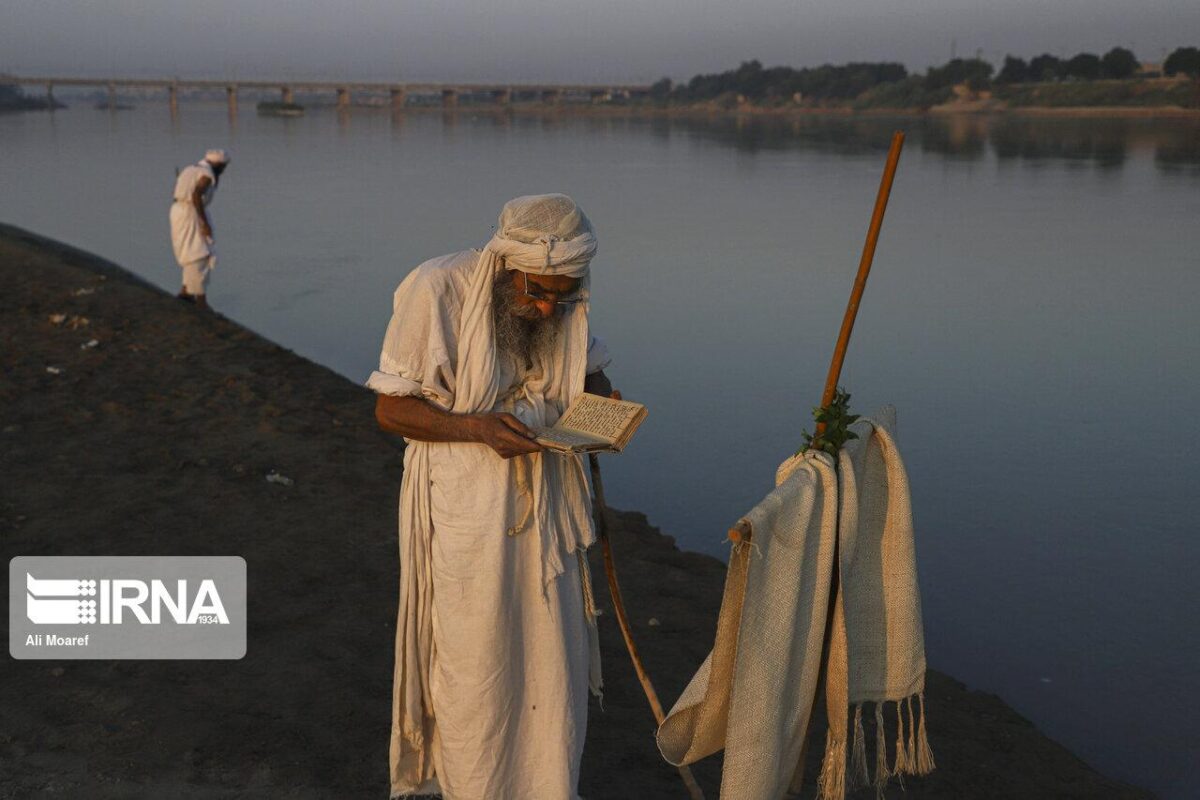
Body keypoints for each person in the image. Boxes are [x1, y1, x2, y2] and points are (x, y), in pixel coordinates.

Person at [368, 194, 617, 800]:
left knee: (550, 662)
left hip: (549, 513)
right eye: (535, 292)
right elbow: (390, 408)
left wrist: (605, 418)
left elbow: (591, 377)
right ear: (508, 267)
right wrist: (475, 427)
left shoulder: (560, 301)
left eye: (560, 295)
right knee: (475, 664)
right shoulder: (437, 289)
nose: (545, 306)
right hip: (467, 513)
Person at [169, 149, 229, 309]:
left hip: (178, 210)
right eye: (223, 167)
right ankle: (200, 300)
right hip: (191, 211)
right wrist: (204, 223)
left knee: (191, 251)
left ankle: (186, 291)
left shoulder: (190, 169)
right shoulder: (206, 175)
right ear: (218, 165)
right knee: (198, 254)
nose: (224, 171)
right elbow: (196, 195)